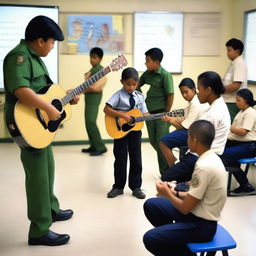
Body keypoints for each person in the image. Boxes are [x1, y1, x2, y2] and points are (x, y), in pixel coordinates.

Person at [3, 16, 80, 246]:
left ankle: (51, 210)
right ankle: (38, 230)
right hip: (25, 123)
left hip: (39, 124)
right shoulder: (18, 57)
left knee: (47, 168)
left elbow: (43, 92)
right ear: (40, 40)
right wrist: (48, 107)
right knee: (37, 177)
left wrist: (65, 98)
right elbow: (21, 90)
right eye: (52, 42)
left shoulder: (35, 57)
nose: (53, 46)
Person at [143, 120, 227, 256]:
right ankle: (174, 238)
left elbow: (185, 208)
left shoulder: (204, 166)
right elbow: (195, 195)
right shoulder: (209, 157)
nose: (187, 141)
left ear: (194, 140)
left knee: (150, 238)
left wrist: (167, 193)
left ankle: (179, 246)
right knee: (151, 205)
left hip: (202, 226)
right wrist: (174, 191)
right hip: (197, 212)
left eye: (188, 137)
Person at [161, 71, 230, 183]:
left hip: (202, 157)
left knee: (167, 178)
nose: (197, 93)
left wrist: (187, 156)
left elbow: (195, 140)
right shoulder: (218, 105)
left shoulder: (213, 113)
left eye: (198, 89)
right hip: (205, 154)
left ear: (208, 90)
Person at [104, 67, 149, 199]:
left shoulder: (140, 96)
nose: (131, 87)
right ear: (122, 82)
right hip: (120, 131)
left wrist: (157, 116)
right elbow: (106, 109)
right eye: (128, 84)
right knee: (120, 159)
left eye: (134, 85)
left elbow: (145, 113)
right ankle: (118, 186)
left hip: (135, 132)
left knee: (136, 158)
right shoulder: (118, 95)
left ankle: (136, 187)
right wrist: (122, 116)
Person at [138, 47, 174, 175]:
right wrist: (140, 99)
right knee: (154, 142)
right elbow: (136, 84)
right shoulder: (147, 73)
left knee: (161, 141)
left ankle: (169, 170)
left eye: (147, 60)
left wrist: (166, 113)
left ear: (157, 62)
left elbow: (170, 95)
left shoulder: (165, 75)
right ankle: (167, 168)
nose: (145, 63)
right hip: (148, 113)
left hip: (161, 114)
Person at [160, 78, 209, 167]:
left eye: (186, 92)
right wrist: (176, 119)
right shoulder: (194, 101)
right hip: (196, 130)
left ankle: (172, 167)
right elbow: (184, 117)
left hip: (196, 133)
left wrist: (170, 120)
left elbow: (184, 127)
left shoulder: (195, 104)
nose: (184, 95)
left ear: (193, 89)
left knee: (163, 142)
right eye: (182, 93)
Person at [221, 88, 256, 195]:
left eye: (238, 100)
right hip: (240, 143)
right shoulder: (242, 112)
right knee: (219, 152)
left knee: (224, 155)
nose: (236, 103)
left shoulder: (250, 112)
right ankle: (245, 185)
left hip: (250, 146)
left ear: (246, 100)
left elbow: (242, 132)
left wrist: (227, 126)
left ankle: (245, 184)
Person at [81, 47, 107, 156]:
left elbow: (95, 88)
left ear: (100, 59)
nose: (92, 60)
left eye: (95, 57)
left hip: (94, 99)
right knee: (88, 122)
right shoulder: (92, 70)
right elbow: (88, 85)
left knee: (91, 121)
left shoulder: (100, 70)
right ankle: (93, 145)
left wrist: (85, 86)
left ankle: (101, 146)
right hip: (89, 98)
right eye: (91, 57)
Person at [222, 38, 247, 122]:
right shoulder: (233, 63)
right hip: (228, 100)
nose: (227, 53)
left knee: (229, 124)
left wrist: (220, 90)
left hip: (233, 102)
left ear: (237, 51)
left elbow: (236, 85)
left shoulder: (239, 64)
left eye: (229, 50)